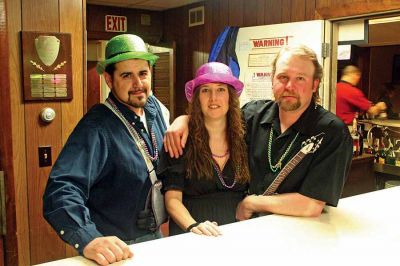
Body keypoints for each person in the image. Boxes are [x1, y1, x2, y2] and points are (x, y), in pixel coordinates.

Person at [164, 45, 353, 220]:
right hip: (246, 229)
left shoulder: (331, 132)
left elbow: (312, 205)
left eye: (300, 78)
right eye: (283, 77)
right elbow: (216, 115)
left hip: (298, 233)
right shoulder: (252, 114)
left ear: (314, 84)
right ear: (272, 80)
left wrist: (252, 203)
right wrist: (184, 120)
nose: (289, 86)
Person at [43, 34, 169, 265]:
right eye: (126, 76)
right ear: (109, 81)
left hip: (155, 237)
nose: (138, 84)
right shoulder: (97, 128)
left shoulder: (153, 108)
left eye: (143, 73)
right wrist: (88, 239)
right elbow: (61, 190)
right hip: (118, 249)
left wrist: (184, 122)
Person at [157, 62, 250, 236]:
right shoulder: (180, 140)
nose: (213, 98)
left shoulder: (245, 136)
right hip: (192, 234)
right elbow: (172, 200)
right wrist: (193, 226)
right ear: (197, 98)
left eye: (221, 89)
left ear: (231, 97)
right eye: (205, 90)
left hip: (236, 233)